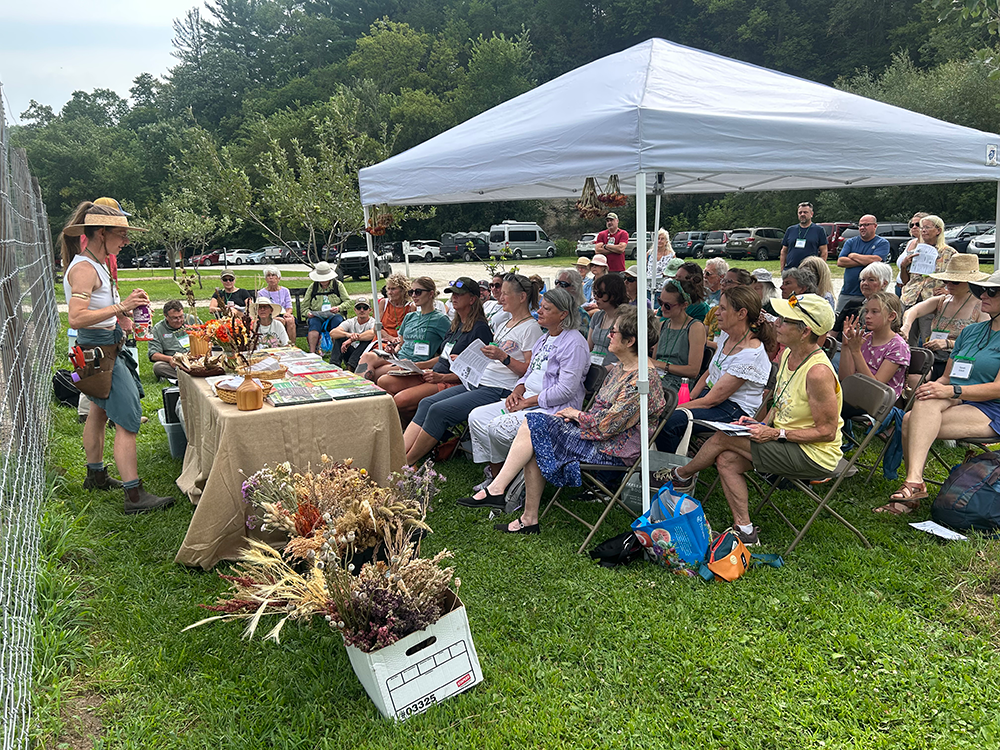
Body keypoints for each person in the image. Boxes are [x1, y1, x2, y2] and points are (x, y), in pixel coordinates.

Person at [457, 305, 666, 535]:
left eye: (613, 332)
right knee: (537, 429)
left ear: (630, 341)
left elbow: (607, 426)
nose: (608, 335)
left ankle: (503, 494)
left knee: (536, 428)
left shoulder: (641, 380)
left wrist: (574, 414)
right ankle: (524, 514)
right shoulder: (621, 369)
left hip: (613, 449)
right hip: (595, 434)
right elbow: (599, 415)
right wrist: (575, 418)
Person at [669, 294, 843, 546]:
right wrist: (762, 424)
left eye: (784, 320)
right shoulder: (788, 356)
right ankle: (746, 531)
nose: (776, 323)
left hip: (814, 454)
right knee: (727, 459)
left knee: (723, 438)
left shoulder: (817, 372)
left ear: (804, 331)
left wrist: (775, 434)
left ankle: (679, 475)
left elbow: (826, 432)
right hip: (787, 442)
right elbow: (780, 400)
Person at [60, 201, 173, 512]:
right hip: (99, 351)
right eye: (121, 235)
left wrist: (120, 319)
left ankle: (95, 475)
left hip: (102, 347)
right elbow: (76, 318)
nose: (125, 241)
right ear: (100, 233)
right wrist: (122, 307)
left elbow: (97, 312)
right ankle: (134, 495)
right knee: (128, 420)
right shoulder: (84, 269)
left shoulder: (97, 264)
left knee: (98, 410)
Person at [880, 270, 1000, 514]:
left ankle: (912, 489)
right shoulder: (971, 332)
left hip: (991, 406)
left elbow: (997, 388)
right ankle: (914, 483)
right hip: (956, 397)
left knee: (912, 419)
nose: (984, 295)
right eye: (983, 290)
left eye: (992, 291)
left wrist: (951, 391)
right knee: (924, 401)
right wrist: (936, 387)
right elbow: (946, 376)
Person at [401, 274, 543, 465]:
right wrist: (466, 359)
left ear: (522, 297)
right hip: (479, 382)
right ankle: (399, 453)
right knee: (427, 403)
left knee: (438, 410)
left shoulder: (531, 329)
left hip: (499, 389)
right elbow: (488, 357)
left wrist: (503, 357)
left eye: (505, 294)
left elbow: (529, 370)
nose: (500, 297)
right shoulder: (504, 324)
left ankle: (406, 463)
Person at [466, 288, 591, 489]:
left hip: (553, 410)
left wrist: (527, 402)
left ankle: (510, 483)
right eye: (540, 306)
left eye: (546, 309)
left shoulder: (574, 343)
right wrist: (517, 391)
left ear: (563, 314)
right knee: (477, 417)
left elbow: (566, 390)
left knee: (497, 427)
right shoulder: (544, 339)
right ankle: (498, 477)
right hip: (528, 401)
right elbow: (528, 373)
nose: (539, 311)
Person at [656, 286, 775, 452]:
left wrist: (675, 407)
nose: (716, 313)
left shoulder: (750, 355)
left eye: (723, 308)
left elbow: (712, 401)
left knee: (668, 420)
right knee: (660, 406)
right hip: (713, 398)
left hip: (735, 412)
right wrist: (690, 396)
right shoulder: (728, 335)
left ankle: (669, 470)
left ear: (741, 314)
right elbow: (710, 372)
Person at [382, 278, 492, 423]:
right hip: (433, 373)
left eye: (458, 294)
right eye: (452, 294)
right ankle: (413, 424)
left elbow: (477, 373)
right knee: (384, 382)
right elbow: (442, 356)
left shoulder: (480, 329)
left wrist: (441, 377)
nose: (453, 298)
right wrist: (420, 367)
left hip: (451, 381)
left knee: (400, 400)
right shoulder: (456, 325)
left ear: (472, 299)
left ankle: (419, 428)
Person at [900, 255, 989, 380]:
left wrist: (949, 344)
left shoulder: (981, 306)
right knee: (905, 375)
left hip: (962, 361)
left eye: (955, 282)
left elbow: (983, 341)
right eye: (946, 281)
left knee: (914, 379)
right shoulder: (942, 301)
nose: (949, 285)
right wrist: (906, 327)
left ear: (970, 282)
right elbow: (913, 311)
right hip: (935, 357)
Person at [358, 277, 450, 383]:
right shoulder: (410, 316)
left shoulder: (440, 320)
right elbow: (400, 344)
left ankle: (362, 393)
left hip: (415, 364)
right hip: (399, 358)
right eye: (411, 292)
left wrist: (421, 364)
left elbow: (448, 352)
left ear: (430, 294)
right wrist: (393, 349)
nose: (414, 295)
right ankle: (358, 391)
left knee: (378, 375)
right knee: (367, 357)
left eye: (418, 292)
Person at [839, 292, 910, 407]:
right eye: (866, 311)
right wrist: (846, 345)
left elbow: (876, 387)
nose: (867, 316)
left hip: (878, 405)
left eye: (874, 312)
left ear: (891, 316)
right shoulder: (864, 339)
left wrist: (856, 352)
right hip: (855, 397)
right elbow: (845, 378)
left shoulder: (898, 346)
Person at [900, 215, 957, 345]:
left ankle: (929, 365)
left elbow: (958, 279)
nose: (923, 230)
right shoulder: (916, 251)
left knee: (929, 339)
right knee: (905, 339)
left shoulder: (949, 253)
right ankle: (907, 364)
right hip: (910, 298)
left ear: (938, 230)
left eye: (927, 227)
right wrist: (904, 266)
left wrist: (947, 290)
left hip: (932, 301)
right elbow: (906, 281)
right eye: (922, 227)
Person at [654, 279, 707, 392]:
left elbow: (693, 371)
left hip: (679, 384)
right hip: (658, 378)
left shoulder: (695, 328)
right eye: (660, 302)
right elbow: (655, 360)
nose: (662, 308)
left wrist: (661, 364)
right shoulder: (662, 325)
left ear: (684, 305)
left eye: (667, 305)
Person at [836, 214, 890, 314]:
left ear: (875, 226)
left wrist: (853, 255)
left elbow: (876, 261)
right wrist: (866, 260)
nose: (862, 228)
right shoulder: (850, 242)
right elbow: (841, 261)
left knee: (866, 321)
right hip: (848, 292)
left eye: (866, 225)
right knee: (839, 320)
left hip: (870, 294)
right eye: (860, 225)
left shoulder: (882, 243)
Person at [831, 262, 894, 340]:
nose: (865, 283)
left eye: (871, 280)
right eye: (863, 280)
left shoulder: (889, 308)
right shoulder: (852, 305)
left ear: (884, 284)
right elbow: (833, 334)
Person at [301, 261, 351, 355]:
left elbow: (348, 302)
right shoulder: (313, 287)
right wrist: (308, 313)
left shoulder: (338, 285)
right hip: (317, 315)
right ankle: (312, 353)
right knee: (314, 325)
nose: (323, 281)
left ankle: (337, 352)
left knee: (337, 323)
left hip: (334, 315)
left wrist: (339, 308)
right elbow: (304, 307)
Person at [148, 300, 198, 381]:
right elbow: (153, 354)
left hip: (196, 358)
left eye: (181, 316)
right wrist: (170, 359)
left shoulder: (191, 320)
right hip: (176, 363)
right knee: (158, 367)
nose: (179, 320)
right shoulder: (158, 329)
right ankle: (192, 375)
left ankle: (186, 376)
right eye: (175, 318)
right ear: (166, 316)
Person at [704, 268, 753, 347]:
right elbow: (703, 335)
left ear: (742, 286)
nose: (723, 284)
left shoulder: (749, 316)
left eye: (729, 282)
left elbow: (735, 347)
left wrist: (701, 343)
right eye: (723, 280)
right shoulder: (714, 311)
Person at [587, 273, 628, 365]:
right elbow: (588, 347)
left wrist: (606, 370)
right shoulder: (597, 316)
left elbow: (628, 356)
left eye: (600, 294)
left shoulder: (625, 319)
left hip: (612, 371)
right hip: (592, 367)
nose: (595, 297)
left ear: (613, 295)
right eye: (595, 293)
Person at [329, 299, 376, 371]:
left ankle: (351, 367)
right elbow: (333, 333)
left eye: (365, 308)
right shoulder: (350, 321)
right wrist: (348, 335)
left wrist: (351, 340)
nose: (362, 310)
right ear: (355, 310)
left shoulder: (373, 322)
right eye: (359, 308)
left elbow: (373, 333)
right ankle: (334, 366)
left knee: (368, 340)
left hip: (365, 356)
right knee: (340, 337)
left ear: (370, 310)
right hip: (350, 352)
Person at [780, 201, 828, 271]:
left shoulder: (819, 230)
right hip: (791, 270)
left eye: (805, 212)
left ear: (811, 214)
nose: (802, 214)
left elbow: (824, 252)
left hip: (810, 271)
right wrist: (782, 269)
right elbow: (784, 251)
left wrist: (819, 269)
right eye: (800, 212)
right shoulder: (790, 230)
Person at [257, 266, 297, 342]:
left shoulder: (285, 290)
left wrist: (288, 313)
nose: (271, 278)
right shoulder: (261, 293)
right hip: (269, 315)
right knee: (279, 320)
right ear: (266, 279)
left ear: (279, 278)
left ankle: (291, 345)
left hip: (283, 313)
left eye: (273, 275)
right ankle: (280, 343)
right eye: (268, 275)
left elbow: (289, 306)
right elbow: (260, 308)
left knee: (290, 320)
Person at [894, 213, 928, 297]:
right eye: (912, 225)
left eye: (918, 224)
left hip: (914, 291)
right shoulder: (910, 243)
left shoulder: (929, 247)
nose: (914, 227)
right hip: (899, 287)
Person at [376, 273, 416, 339]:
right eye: (388, 289)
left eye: (393, 289)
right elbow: (376, 328)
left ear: (403, 290)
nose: (389, 292)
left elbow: (411, 331)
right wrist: (390, 338)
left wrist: (398, 341)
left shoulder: (411, 307)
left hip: (401, 342)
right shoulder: (383, 303)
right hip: (382, 341)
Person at [553, 268, 591, 335]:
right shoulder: (552, 308)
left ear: (574, 288)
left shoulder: (581, 315)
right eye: (557, 282)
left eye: (563, 284)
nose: (557, 286)